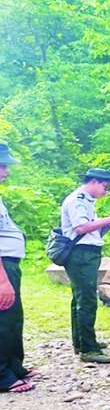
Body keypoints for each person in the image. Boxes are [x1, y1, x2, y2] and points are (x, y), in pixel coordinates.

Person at [61, 168, 110, 364]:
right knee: (87, 299)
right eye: (105, 187)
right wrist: (108, 219)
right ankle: (88, 348)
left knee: (80, 298)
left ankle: (81, 341)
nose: (106, 191)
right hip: (81, 255)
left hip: (87, 253)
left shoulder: (87, 200)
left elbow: (91, 232)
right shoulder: (77, 200)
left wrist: (106, 226)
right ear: (94, 182)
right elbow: (80, 228)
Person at [0, 142, 38, 393]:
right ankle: (2, 375)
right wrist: (2, 280)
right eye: (3, 166)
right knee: (3, 320)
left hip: (9, 263)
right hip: (2, 266)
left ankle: (13, 366)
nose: (7, 171)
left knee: (13, 318)